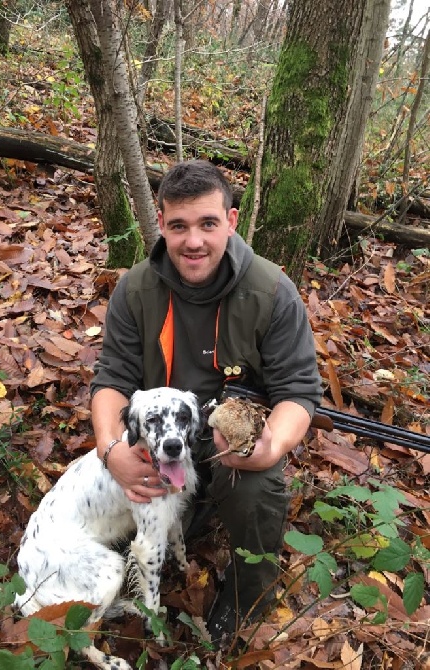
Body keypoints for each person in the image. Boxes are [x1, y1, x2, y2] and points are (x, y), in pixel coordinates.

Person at [90, 159, 323, 643]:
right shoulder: (134, 291)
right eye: (179, 226)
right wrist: (112, 453)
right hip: (160, 438)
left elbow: (298, 392)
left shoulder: (272, 291)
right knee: (144, 500)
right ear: (161, 223)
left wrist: (270, 446)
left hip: (228, 443)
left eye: (208, 224)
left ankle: (247, 596)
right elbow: (112, 380)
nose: (193, 241)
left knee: (254, 487)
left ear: (231, 221)